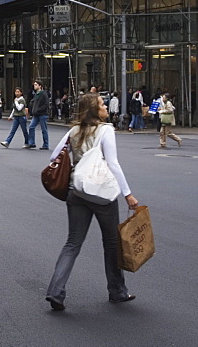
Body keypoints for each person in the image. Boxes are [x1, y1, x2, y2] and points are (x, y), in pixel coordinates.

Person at [45, 92, 139, 311]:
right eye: (102, 104)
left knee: (72, 243)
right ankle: (117, 291)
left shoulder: (73, 131)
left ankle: (55, 291)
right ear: (94, 110)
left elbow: (54, 157)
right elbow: (113, 164)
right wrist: (128, 194)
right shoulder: (106, 130)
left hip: (76, 191)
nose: (105, 107)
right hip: (101, 193)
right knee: (111, 243)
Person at [26, 80, 50, 150]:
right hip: (36, 114)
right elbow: (33, 102)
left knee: (44, 129)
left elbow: (46, 104)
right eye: (34, 85)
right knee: (31, 127)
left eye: (36, 85)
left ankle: (46, 145)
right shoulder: (36, 94)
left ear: (40, 86)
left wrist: (38, 109)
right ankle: (31, 143)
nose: (34, 86)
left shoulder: (43, 94)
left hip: (42, 114)